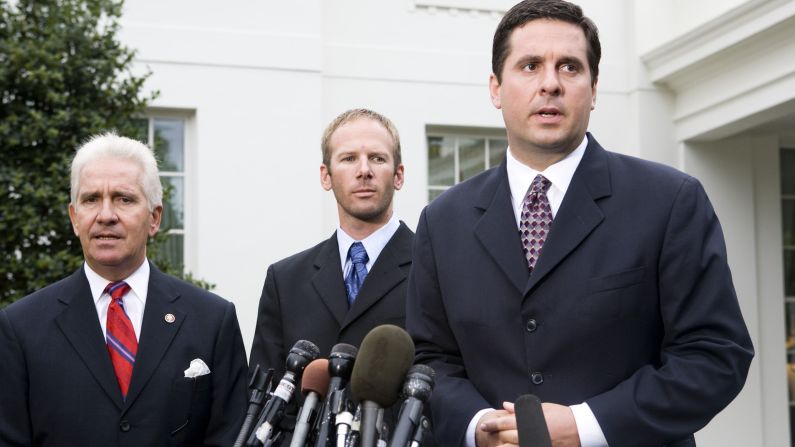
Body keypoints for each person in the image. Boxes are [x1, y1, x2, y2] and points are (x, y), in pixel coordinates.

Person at [405, 1, 755, 446]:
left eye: (569, 67)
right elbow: (428, 359)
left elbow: (716, 356)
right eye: (529, 66)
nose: (550, 84)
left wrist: (585, 426)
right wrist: (479, 428)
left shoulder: (670, 202)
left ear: (593, 89)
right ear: (496, 88)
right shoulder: (442, 221)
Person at [0, 133, 248, 446]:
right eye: (91, 200)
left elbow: (231, 436)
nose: (106, 215)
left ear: (154, 218)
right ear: (75, 218)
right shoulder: (20, 327)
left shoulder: (212, 320)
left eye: (124, 199)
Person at [248, 108, 412, 423]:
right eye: (348, 158)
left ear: (399, 174)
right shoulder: (285, 281)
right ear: (326, 176)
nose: (364, 170)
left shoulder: (433, 270)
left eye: (377, 158)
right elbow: (265, 404)